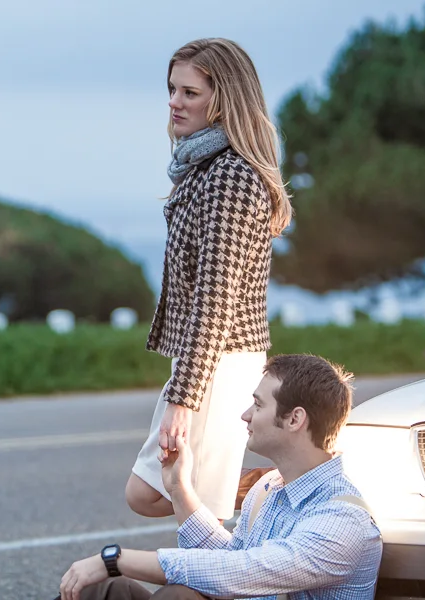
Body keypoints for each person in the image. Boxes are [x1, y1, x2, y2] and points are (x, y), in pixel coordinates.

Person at [126, 37, 292, 523]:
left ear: (224, 99)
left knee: (193, 509)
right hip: (203, 358)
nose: (174, 102)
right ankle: (276, 488)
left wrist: (183, 398)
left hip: (220, 361)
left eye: (190, 93)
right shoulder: (202, 168)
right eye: (172, 90)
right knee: (149, 493)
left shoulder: (231, 176)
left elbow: (215, 298)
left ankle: (278, 493)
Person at [59, 354, 383, 600]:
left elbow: (242, 573)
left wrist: (116, 559)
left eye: (258, 405)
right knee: (103, 590)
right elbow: (231, 558)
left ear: (295, 419)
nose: (245, 415)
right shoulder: (268, 488)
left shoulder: (342, 520)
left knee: (179, 596)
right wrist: (179, 488)